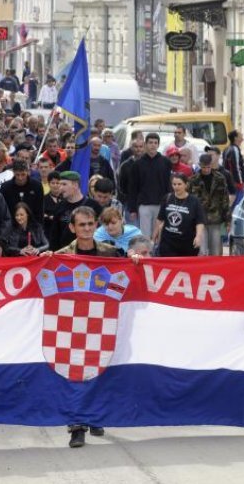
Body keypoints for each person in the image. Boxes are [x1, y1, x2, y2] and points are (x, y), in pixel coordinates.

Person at [53, 206, 119, 448]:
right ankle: (77, 426)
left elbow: (127, 279)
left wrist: (135, 260)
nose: (88, 228)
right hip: (71, 326)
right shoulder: (61, 256)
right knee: (75, 375)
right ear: (72, 228)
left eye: (91, 224)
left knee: (100, 372)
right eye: (82, 225)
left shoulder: (111, 253)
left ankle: (95, 416)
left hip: (102, 323)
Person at [128, 133, 172, 240]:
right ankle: (146, 255)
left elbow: (168, 185)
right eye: (150, 143)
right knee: (145, 235)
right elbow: (133, 187)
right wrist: (132, 208)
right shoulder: (138, 164)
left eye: (155, 143)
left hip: (161, 204)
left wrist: (169, 203)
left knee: (158, 234)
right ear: (145, 144)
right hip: (144, 204)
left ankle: (156, 256)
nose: (153, 145)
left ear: (158, 145)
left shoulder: (165, 162)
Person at [188, 153, 230, 256]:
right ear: (199, 165)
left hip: (215, 219)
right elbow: (189, 201)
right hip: (199, 221)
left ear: (211, 165)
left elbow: (225, 199)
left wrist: (228, 220)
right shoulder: (193, 180)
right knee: (201, 251)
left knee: (215, 251)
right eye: (203, 167)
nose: (206, 170)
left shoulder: (220, 178)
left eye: (208, 167)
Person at [154, 173, 206, 257]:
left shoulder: (194, 201)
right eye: (174, 184)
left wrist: (198, 236)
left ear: (186, 185)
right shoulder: (167, 198)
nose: (176, 187)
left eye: (179, 184)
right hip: (168, 242)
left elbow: (200, 221)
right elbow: (160, 218)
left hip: (187, 243)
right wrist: (155, 234)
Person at [49, 171, 103, 250]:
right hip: (65, 255)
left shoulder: (93, 205)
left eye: (64, 184)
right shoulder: (59, 206)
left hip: (89, 254)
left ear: (75, 185)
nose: (60, 188)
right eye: (59, 184)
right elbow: (54, 235)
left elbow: (101, 232)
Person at [223, 130, 244, 209]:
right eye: (241, 136)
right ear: (236, 138)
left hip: (230, 182)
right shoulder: (234, 150)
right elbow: (237, 167)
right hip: (236, 183)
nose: (242, 139)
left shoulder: (227, 149)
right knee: (237, 206)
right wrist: (240, 182)